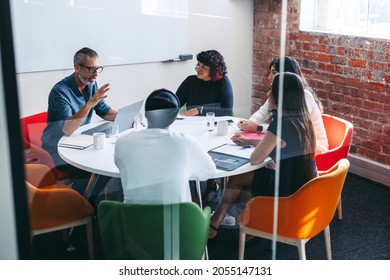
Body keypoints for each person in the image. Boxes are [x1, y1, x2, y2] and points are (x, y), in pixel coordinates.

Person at [209, 72, 318, 239]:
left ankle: (217, 223)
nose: (268, 94)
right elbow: (279, 144)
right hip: (302, 188)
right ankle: (246, 220)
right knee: (244, 183)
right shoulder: (303, 120)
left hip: (287, 192)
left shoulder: (280, 124)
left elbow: (255, 159)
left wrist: (254, 145)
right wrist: (248, 141)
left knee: (238, 179)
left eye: (270, 90)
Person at [114, 88, 217, 204]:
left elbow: (121, 167)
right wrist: (184, 169)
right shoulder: (187, 143)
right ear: (174, 118)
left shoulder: (123, 142)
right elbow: (211, 172)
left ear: (146, 114)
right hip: (177, 220)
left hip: (133, 220)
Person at [41, 47, 117, 200]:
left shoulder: (91, 83)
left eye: (98, 69)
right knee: (97, 169)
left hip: (78, 143)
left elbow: (104, 111)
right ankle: (78, 203)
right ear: (77, 67)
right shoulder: (60, 91)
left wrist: (129, 115)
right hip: (57, 148)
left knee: (110, 161)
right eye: (91, 69)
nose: (95, 74)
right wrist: (90, 103)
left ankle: (88, 202)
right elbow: (68, 129)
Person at [237, 56, 328, 155]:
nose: (269, 77)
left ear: (287, 74)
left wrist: (258, 128)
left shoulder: (304, 95)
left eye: (274, 72)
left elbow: (290, 130)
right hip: (291, 144)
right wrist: (249, 124)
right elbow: (261, 114)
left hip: (311, 148)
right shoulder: (277, 93)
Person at [176, 50, 234, 117]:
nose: (198, 69)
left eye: (204, 67)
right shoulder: (190, 81)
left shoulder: (223, 82)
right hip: (192, 122)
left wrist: (199, 110)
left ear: (214, 69)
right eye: (198, 64)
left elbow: (227, 110)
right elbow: (175, 104)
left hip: (214, 123)